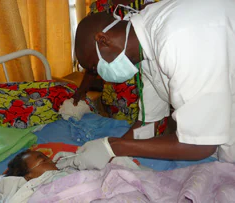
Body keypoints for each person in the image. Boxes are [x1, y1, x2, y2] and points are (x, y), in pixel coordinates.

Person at [55, 0, 235, 170]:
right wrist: (111, 158)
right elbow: (149, 123)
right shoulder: (144, 48)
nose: (100, 75)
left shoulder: (177, 39)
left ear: (103, 40)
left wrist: (114, 147)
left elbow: (200, 145)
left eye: (96, 66)